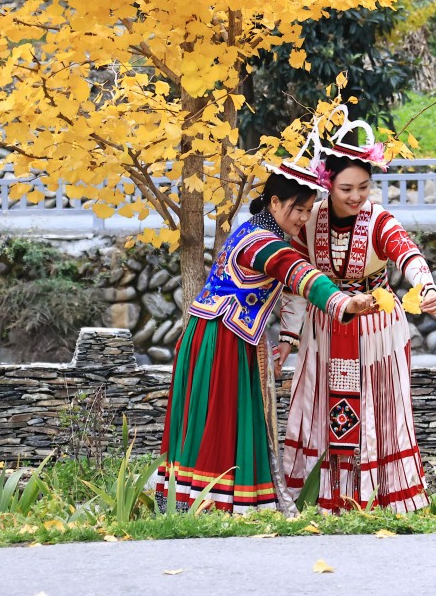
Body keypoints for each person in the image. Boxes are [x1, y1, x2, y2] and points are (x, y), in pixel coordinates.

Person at [152, 161, 375, 514]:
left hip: (220, 332)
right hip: (224, 338)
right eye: (298, 209)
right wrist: (344, 302)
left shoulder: (252, 230)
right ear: (274, 203)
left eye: (307, 209)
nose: (304, 217)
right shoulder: (263, 244)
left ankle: (202, 501)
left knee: (223, 416)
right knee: (222, 418)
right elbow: (299, 274)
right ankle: (218, 505)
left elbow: (290, 281)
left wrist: (288, 337)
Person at [279, 134, 436, 513]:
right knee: (317, 406)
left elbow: (407, 253)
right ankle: (319, 497)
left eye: (364, 187)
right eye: (346, 188)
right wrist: (288, 338)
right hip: (324, 328)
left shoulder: (379, 220)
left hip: (374, 330)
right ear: (327, 184)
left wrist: (427, 286)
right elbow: (296, 283)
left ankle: (382, 496)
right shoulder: (311, 218)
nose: (356, 197)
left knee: (377, 408)